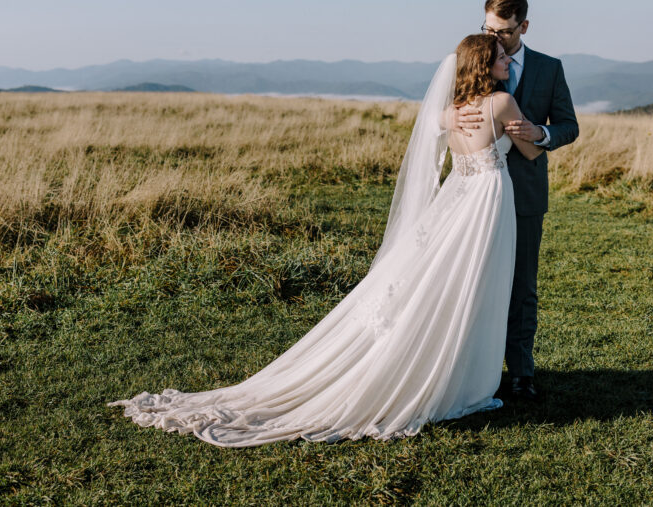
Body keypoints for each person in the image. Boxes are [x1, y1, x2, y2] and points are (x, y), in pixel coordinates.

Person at [108, 34, 544, 447]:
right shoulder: (502, 102)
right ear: (485, 65)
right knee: (477, 284)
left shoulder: (452, 109)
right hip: (484, 202)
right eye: (502, 57)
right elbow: (530, 150)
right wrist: (534, 133)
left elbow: (444, 129)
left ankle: (442, 364)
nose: (509, 60)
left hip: (456, 198)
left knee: (448, 282)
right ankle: (460, 376)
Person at [456, 0, 579, 402]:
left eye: (504, 32)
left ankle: (521, 372)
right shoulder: (472, 56)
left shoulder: (549, 68)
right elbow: (444, 107)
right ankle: (469, 364)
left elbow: (568, 125)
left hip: (523, 194)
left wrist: (541, 134)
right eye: (488, 29)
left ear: (523, 27)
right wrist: (447, 115)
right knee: (471, 280)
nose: (496, 38)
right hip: (474, 195)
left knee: (521, 285)